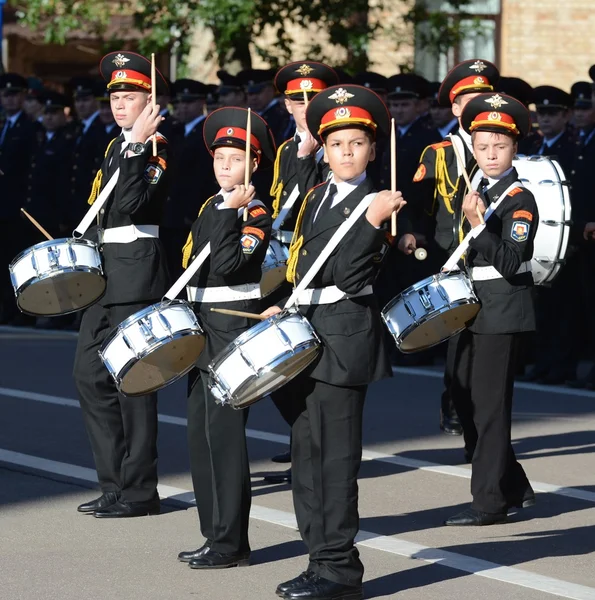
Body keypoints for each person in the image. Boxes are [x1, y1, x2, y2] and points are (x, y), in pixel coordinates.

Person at [261, 83, 404, 600]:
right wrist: (289, 301)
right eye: (336, 143)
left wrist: (370, 222)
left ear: (372, 148)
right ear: (324, 148)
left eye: (357, 143)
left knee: (336, 462)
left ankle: (340, 570)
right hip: (306, 332)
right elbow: (301, 261)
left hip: (344, 341)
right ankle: (317, 558)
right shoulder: (317, 196)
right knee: (306, 457)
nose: (346, 152)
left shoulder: (380, 204)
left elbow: (347, 276)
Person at [73, 51, 171, 518]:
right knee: (89, 376)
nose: (118, 104)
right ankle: (113, 482)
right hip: (104, 276)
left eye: (129, 96)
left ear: (149, 102)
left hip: (135, 275)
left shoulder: (155, 148)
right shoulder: (118, 146)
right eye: (114, 96)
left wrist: (138, 144)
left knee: (134, 385)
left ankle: (139, 491)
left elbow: (132, 202)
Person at [177, 107, 275, 569]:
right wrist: (221, 211)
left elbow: (229, 264)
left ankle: (231, 541)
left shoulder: (254, 210)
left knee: (225, 437)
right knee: (200, 436)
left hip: (230, 326)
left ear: (253, 165)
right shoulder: (213, 206)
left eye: (235, 159)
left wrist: (228, 213)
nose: (224, 167)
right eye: (219, 158)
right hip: (201, 325)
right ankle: (214, 534)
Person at [444, 92, 537, 526]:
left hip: (503, 309)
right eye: (482, 147)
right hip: (473, 308)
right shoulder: (479, 189)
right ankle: (515, 484)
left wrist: (479, 226)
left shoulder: (520, 199)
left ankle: (489, 502)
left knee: (490, 407)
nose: (490, 155)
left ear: (514, 148)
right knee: (465, 395)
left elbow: (513, 260)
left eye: (499, 146)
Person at [409, 59, 499, 441]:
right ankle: (457, 405)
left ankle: (484, 425)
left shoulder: (505, 147)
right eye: (469, 100)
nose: (477, 105)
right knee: (460, 341)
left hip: (495, 256)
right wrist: (411, 235)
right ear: (456, 108)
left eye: (485, 97)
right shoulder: (440, 153)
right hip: (454, 258)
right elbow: (417, 206)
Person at [264, 60, 339, 480]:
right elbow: (282, 208)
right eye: (297, 99)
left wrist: (311, 156)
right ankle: (303, 439)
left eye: (314, 98)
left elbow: (317, 207)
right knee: (277, 360)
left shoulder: (338, 146)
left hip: (317, 266)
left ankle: (313, 449)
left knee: (307, 361)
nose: (304, 106)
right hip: (283, 264)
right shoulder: (284, 148)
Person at [164, 79, 218, 281]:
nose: (182, 108)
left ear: (201, 103)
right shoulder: (176, 130)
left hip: (191, 215)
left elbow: (203, 178)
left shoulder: (207, 132)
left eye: (188, 102)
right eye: (178, 103)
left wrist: (193, 214)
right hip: (170, 214)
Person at [0, 73, 38, 325]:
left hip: (16, 205)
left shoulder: (30, 127)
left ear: (24, 96)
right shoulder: (3, 124)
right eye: (6, 94)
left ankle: (17, 310)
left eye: (15, 94)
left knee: (15, 261)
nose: (10, 99)